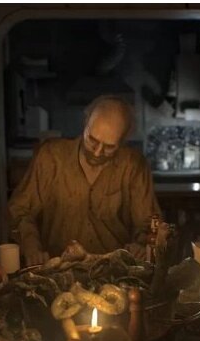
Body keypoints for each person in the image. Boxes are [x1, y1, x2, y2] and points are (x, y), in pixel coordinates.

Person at [8, 95, 161, 266]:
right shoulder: (51, 158)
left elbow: (149, 223)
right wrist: (31, 246)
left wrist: (143, 244)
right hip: (57, 268)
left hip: (113, 271)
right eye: (92, 140)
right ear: (85, 122)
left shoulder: (133, 165)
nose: (97, 152)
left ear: (123, 141)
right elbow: (19, 210)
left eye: (109, 147)